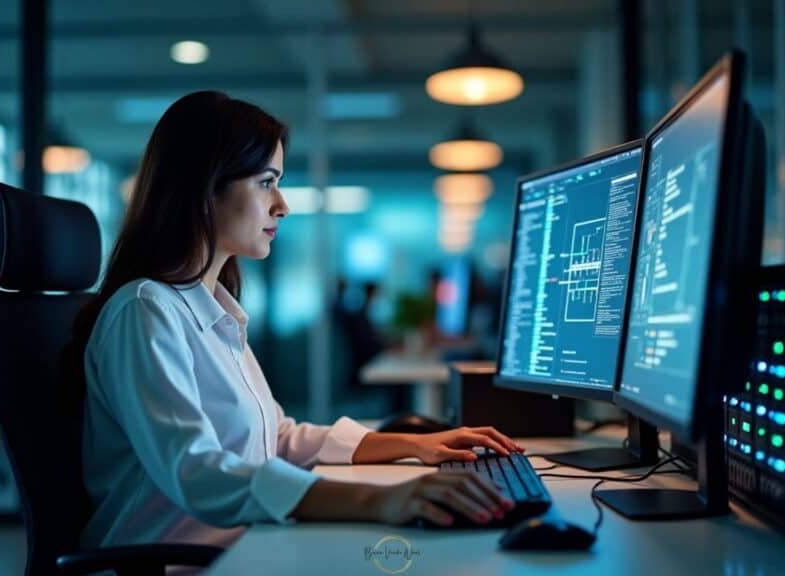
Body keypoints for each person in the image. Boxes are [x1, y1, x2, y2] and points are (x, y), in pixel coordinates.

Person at [68, 91, 523, 550]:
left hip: (243, 545)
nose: (281, 204)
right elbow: (198, 472)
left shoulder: (215, 309)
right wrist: (378, 501)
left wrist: (411, 444)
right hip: (177, 561)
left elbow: (278, 439)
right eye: (266, 182)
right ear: (207, 185)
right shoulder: (145, 311)